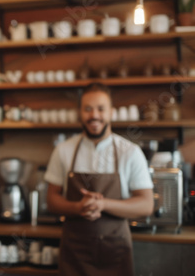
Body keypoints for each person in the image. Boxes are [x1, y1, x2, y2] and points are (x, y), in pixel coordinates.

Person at [44, 82, 154, 276]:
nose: (94, 115)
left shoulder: (131, 152)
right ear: (80, 113)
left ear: (111, 112)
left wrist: (102, 204)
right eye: (88, 109)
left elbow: (146, 205)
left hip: (116, 253)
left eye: (101, 109)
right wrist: (78, 208)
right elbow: (52, 200)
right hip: (74, 254)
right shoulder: (63, 150)